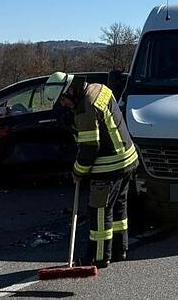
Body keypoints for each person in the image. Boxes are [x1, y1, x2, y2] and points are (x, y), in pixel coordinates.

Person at [43, 71, 138, 268]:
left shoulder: (85, 108)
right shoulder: (98, 88)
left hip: (109, 167)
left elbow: (89, 148)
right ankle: (121, 249)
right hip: (128, 159)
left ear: (69, 91)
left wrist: (77, 172)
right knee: (119, 207)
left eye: (62, 100)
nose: (63, 105)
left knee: (99, 212)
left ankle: (99, 257)